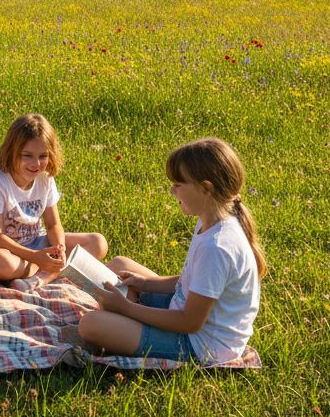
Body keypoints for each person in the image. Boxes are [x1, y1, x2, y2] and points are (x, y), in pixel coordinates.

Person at [78, 138, 265, 364]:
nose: (171, 190)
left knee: (90, 324)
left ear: (206, 189)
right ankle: (129, 308)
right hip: (184, 311)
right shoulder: (212, 220)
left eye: (178, 184)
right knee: (119, 264)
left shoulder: (217, 247)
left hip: (200, 345)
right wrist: (145, 283)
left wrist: (127, 309)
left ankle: (124, 314)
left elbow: (189, 322)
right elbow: (192, 281)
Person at [0, 114, 108, 290]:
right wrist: (35, 257)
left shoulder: (45, 179)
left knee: (98, 243)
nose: (36, 163)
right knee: (0, 263)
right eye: (27, 155)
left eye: (43, 156)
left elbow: (53, 224)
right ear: (11, 151)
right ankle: (48, 269)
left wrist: (60, 249)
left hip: (37, 241)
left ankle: (44, 275)